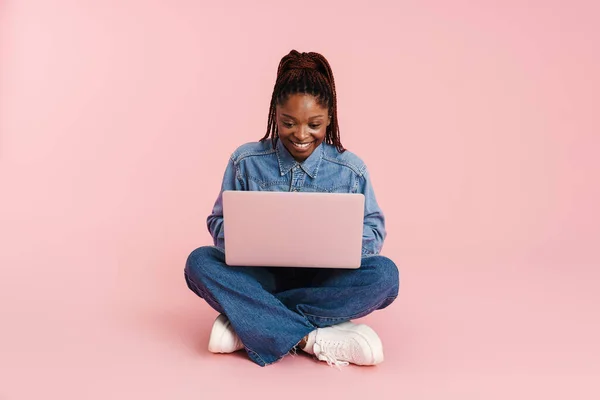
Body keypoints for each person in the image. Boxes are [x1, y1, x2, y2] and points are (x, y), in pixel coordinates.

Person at [184, 50, 399, 368]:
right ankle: (311, 340)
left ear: (330, 118)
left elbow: (375, 230)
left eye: (314, 124)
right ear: (275, 113)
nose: (300, 135)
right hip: (259, 278)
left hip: (323, 283)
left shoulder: (351, 170)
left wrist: (338, 246)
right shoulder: (245, 161)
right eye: (288, 123)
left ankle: (252, 323)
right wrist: (246, 239)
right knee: (198, 263)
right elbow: (217, 220)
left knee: (385, 277)